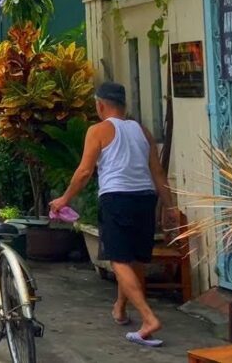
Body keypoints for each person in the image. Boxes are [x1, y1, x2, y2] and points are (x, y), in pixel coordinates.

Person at [49, 82, 172, 348]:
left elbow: (84, 173)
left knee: (118, 259)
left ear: (100, 105)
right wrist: (169, 207)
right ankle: (120, 308)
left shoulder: (98, 130)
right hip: (145, 198)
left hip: (117, 198)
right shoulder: (143, 131)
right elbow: (158, 174)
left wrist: (63, 199)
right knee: (135, 259)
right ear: (124, 105)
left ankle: (149, 318)